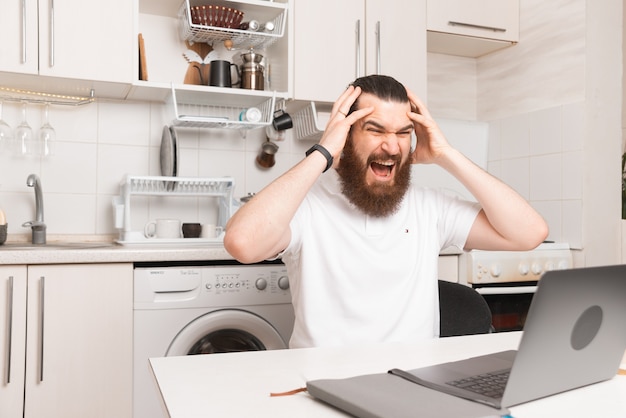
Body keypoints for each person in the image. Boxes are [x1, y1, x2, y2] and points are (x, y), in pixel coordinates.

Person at [224, 75, 548, 349]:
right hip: (322, 386)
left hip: (411, 386)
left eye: (403, 133)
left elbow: (529, 233)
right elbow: (242, 243)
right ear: (346, 137)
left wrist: (445, 154)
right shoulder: (307, 208)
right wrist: (322, 152)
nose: (392, 147)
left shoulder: (430, 207)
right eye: (376, 130)